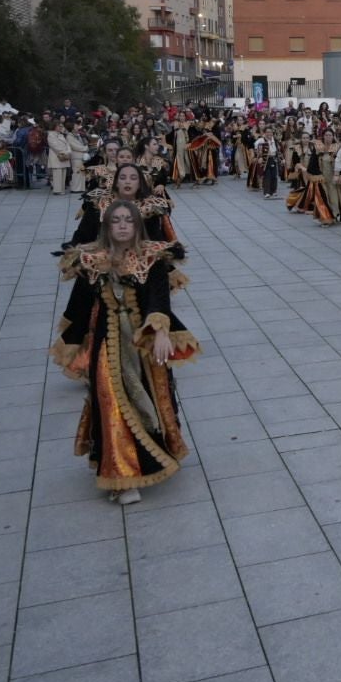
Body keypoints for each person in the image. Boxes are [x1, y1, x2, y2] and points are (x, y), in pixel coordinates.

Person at [50, 199, 200, 504]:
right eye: (115, 220)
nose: (121, 225)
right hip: (107, 343)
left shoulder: (150, 257)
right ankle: (122, 475)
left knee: (150, 402)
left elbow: (159, 297)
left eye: (127, 221)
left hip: (141, 343)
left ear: (136, 225)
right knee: (111, 402)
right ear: (107, 225)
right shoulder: (92, 259)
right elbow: (79, 304)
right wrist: (72, 341)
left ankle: (150, 457)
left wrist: (160, 330)